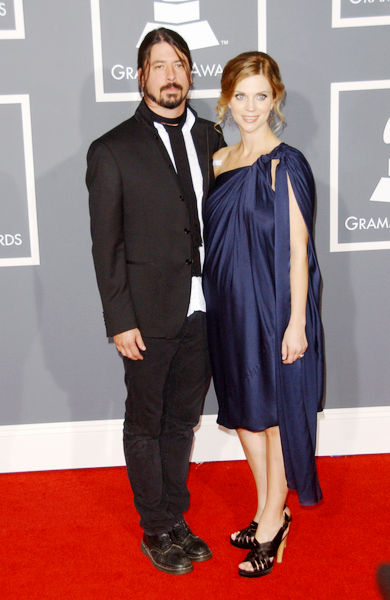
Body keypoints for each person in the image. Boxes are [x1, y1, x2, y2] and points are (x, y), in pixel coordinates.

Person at [86, 28, 225, 575]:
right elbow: (107, 247)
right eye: (158, 65)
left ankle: (176, 516)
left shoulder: (215, 137)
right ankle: (155, 526)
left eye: (179, 64)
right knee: (146, 421)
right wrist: (120, 319)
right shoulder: (112, 149)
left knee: (183, 420)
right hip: (146, 314)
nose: (170, 75)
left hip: (207, 308)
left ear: (191, 74)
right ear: (140, 75)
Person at [203, 51, 324, 578]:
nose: (250, 107)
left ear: (275, 100)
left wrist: (296, 322)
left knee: (271, 419)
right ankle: (265, 507)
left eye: (262, 96)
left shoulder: (286, 162)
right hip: (226, 306)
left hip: (271, 308)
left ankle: (273, 520)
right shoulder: (218, 160)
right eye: (241, 95)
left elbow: (299, 250)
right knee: (244, 414)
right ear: (227, 99)